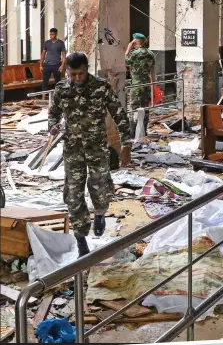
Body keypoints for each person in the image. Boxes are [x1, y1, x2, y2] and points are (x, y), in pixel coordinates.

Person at [48, 52, 131, 256]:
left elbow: (119, 114)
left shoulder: (100, 87)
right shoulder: (61, 89)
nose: (77, 78)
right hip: (72, 150)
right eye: (73, 74)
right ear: (67, 71)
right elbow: (53, 113)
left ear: (87, 69)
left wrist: (126, 146)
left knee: (99, 187)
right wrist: (53, 126)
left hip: (97, 149)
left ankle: (100, 213)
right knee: (73, 195)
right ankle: (81, 240)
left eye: (81, 73)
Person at [125, 33, 156, 138]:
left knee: (134, 109)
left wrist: (128, 48)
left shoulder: (134, 53)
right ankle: (144, 132)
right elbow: (152, 72)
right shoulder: (151, 54)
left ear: (135, 41)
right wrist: (153, 85)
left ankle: (133, 134)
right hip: (147, 85)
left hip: (136, 87)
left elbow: (125, 60)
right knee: (145, 109)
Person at [40, 27, 66, 99]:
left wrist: (62, 66)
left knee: (58, 82)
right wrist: (40, 65)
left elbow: (64, 55)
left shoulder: (61, 43)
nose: (51, 36)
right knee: (45, 82)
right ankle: (43, 98)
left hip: (56, 65)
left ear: (56, 34)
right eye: (50, 34)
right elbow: (43, 54)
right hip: (47, 65)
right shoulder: (47, 43)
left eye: (53, 34)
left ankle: (58, 98)